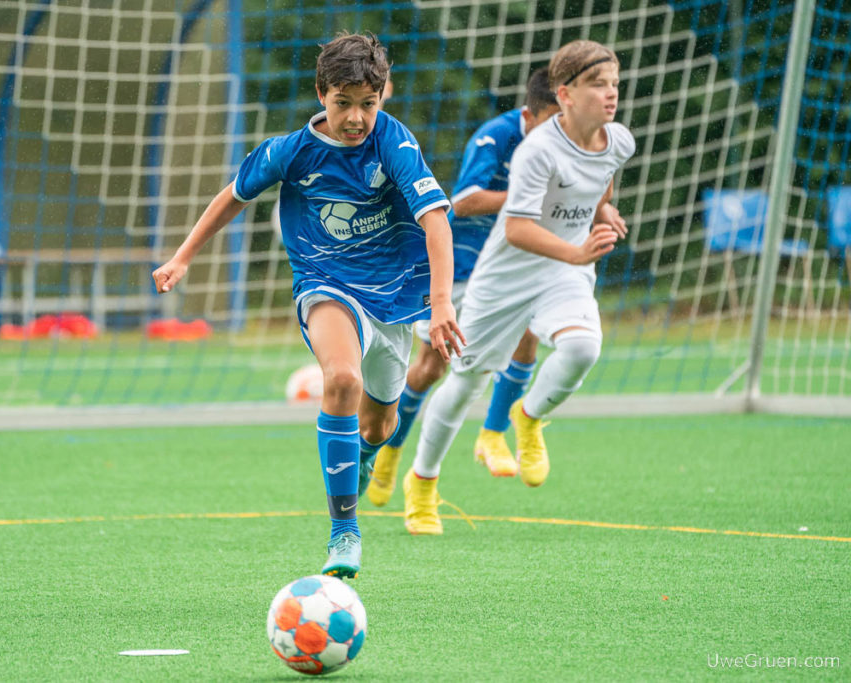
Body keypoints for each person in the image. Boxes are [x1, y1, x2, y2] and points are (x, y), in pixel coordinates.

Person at [152, 33, 464, 575]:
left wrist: (441, 306)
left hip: (393, 294)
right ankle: (344, 531)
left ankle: (365, 454)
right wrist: (183, 258)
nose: (356, 117)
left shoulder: (394, 142)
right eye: (344, 103)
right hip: (325, 282)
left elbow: (435, 219)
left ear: (383, 96)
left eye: (368, 104)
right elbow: (232, 195)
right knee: (340, 380)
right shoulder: (290, 151)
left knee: (380, 424)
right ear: (322, 94)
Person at [402, 40, 635, 534]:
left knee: (582, 348)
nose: (611, 95)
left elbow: (600, 182)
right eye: (598, 85)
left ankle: (526, 417)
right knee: (464, 380)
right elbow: (515, 228)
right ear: (565, 94)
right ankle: (422, 483)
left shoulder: (618, 140)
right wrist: (576, 250)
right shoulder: (537, 151)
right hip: (507, 275)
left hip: (564, 273)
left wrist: (603, 210)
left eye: (614, 83)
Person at [366, 67, 562, 509]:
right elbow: (466, 199)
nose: (560, 130)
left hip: (513, 262)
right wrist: (529, 200)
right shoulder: (496, 136)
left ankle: (493, 433)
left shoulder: (565, 144)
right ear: (530, 116)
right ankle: (391, 450)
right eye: (552, 120)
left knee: (527, 334)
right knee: (431, 368)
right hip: (461, 263)